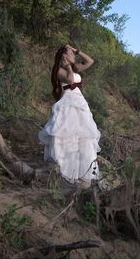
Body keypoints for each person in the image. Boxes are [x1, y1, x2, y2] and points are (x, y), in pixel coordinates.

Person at [38, 44, 100, 187]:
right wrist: (68, 67)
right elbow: (71, 80)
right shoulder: (60, 70)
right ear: (64, 56)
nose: (74, 55)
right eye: (70, 53)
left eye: (74, 53)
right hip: (68, 104)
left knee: (83, 137)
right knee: (66, 135)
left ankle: (83, 172)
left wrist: (76, 50)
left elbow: (90, 61)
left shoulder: (75, 67)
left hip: (80, 104)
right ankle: (66, 172)